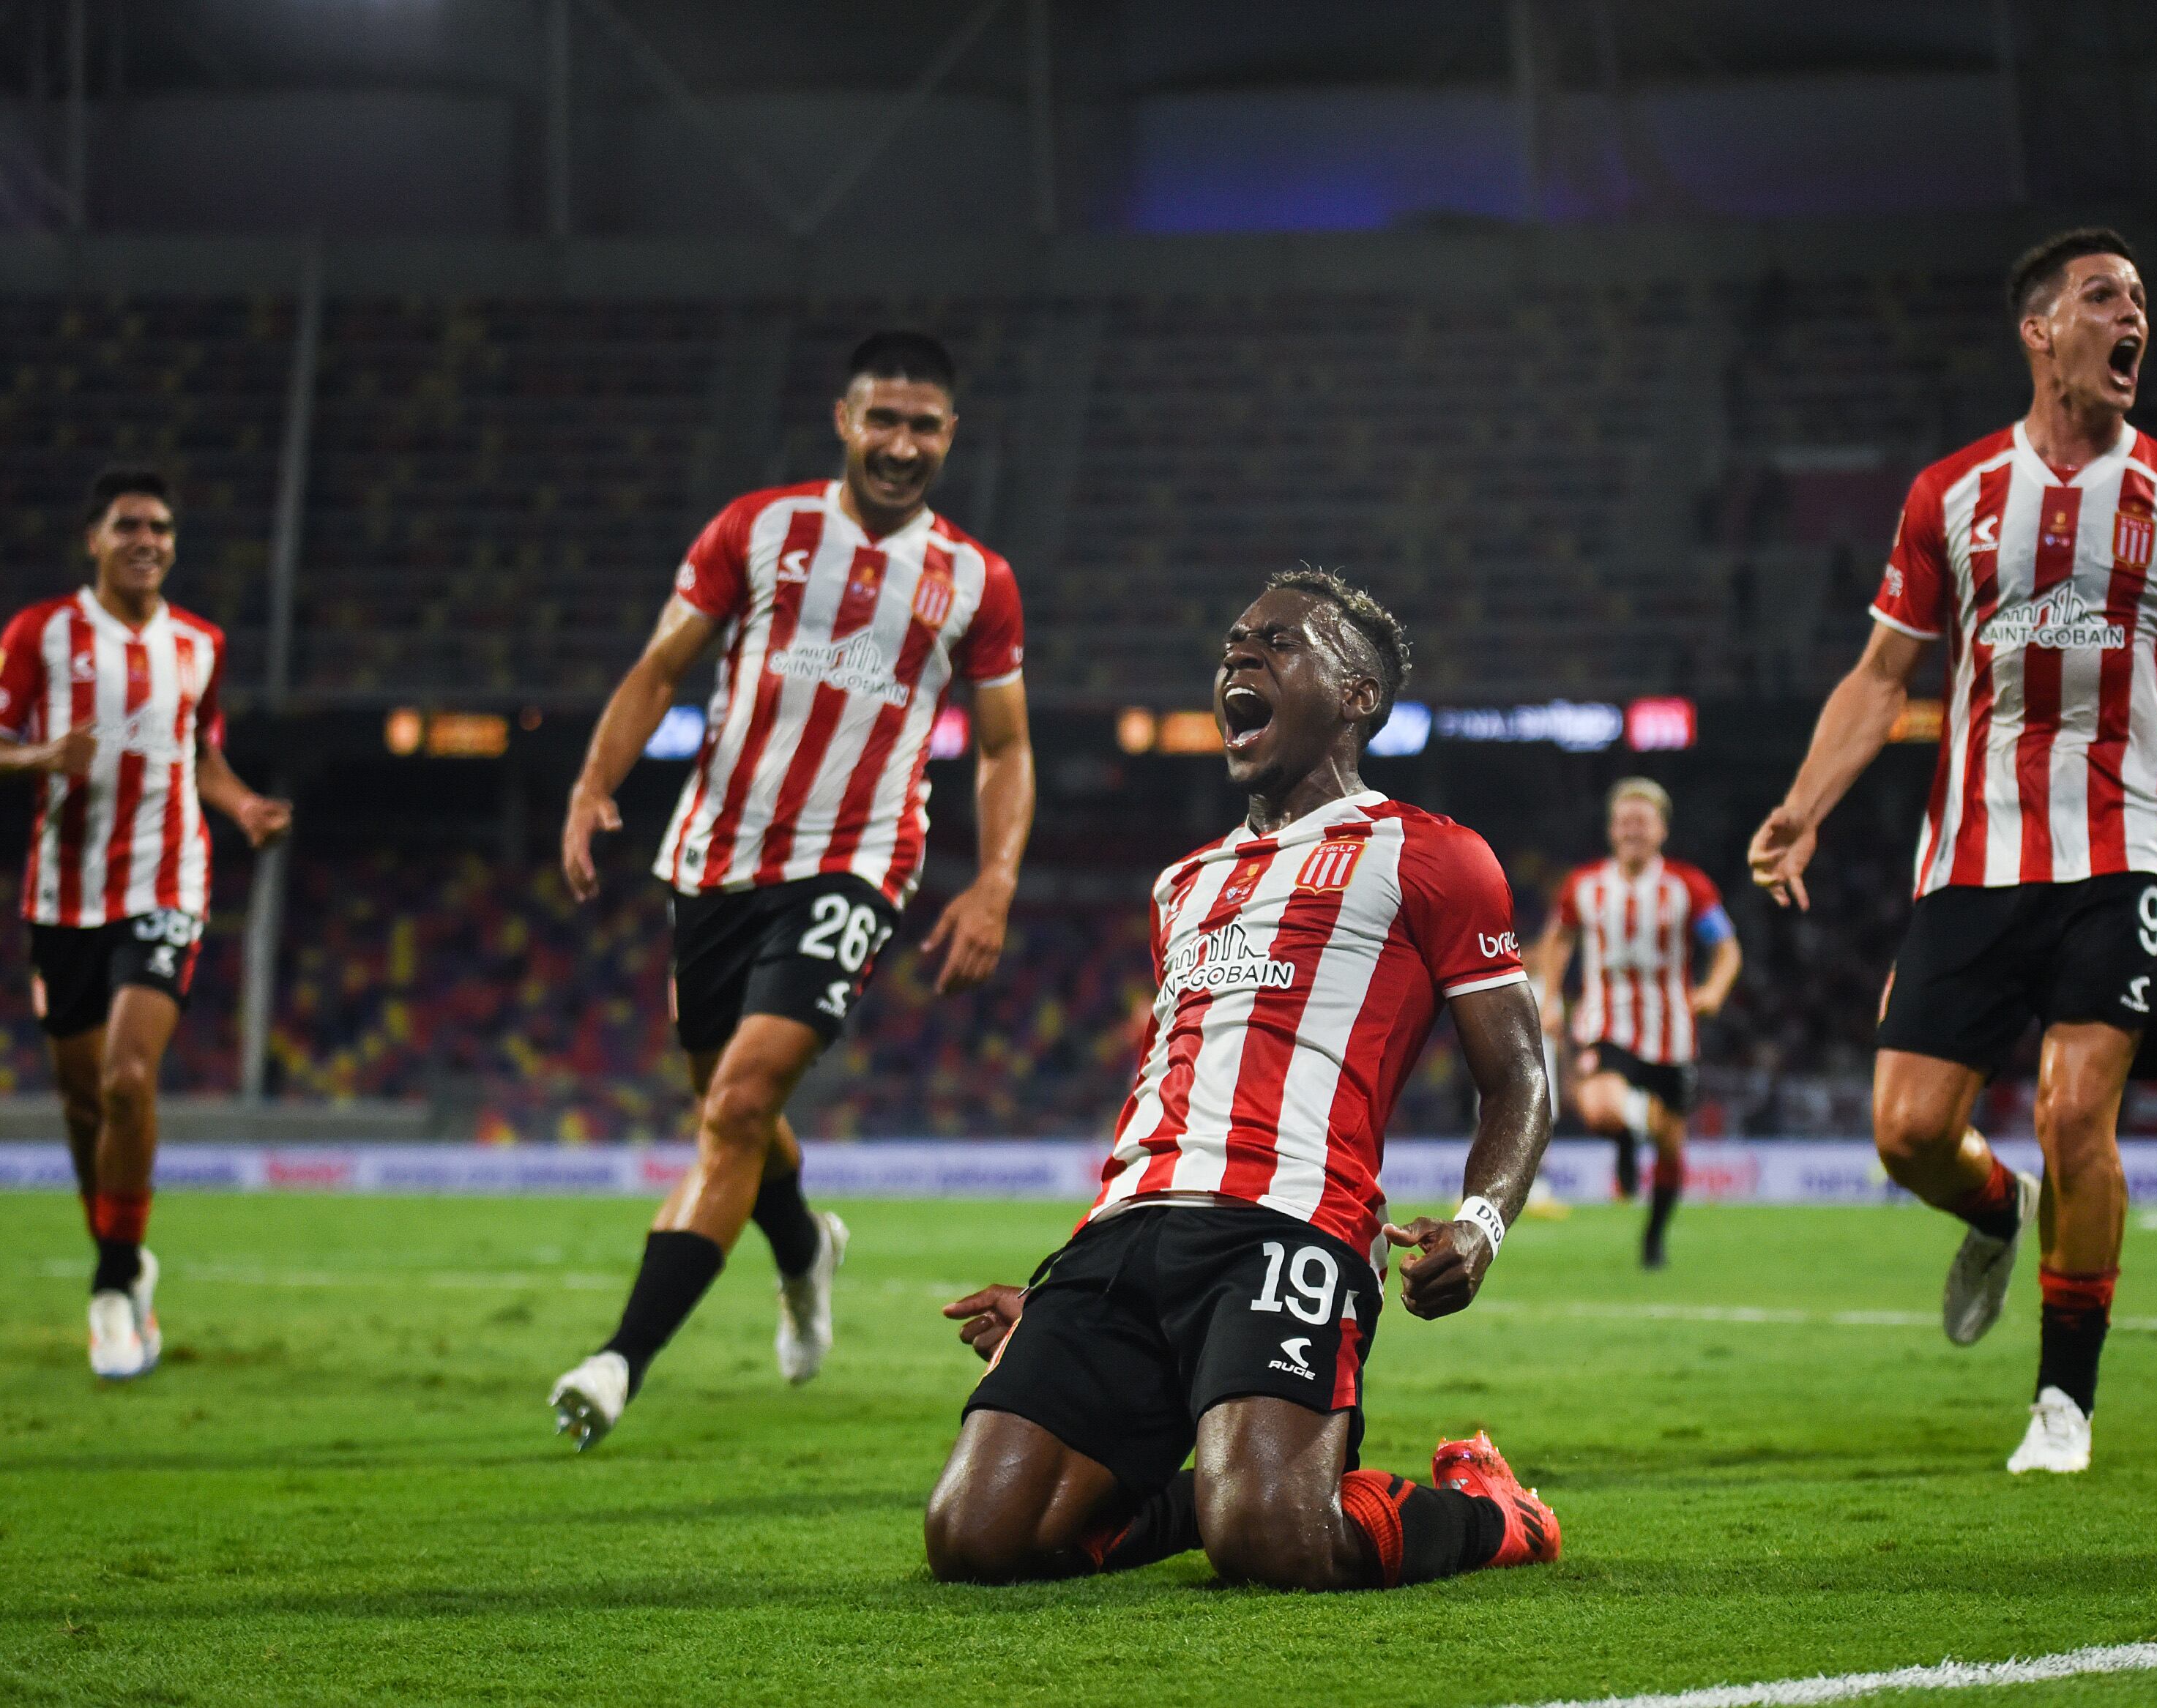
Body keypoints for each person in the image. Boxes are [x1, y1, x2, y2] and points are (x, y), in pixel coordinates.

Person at [1746, 229, 2157, 1474]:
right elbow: (1880, 677)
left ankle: (2061, 1401)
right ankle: (1998, 1207)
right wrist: (1806, 803)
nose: (2133, 317)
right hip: (1972, 853)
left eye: (2141, 299)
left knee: (2080, 1106)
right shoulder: (1951, 494)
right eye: (2104, 296)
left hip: (2128, 844)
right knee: (1909, 1131)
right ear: (2041, 330)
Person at [924, 570, 1561, 1591]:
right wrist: (1065, 1292)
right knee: (975, 1537)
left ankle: (1490, 1511)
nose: (1240, 657)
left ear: (1357, 697)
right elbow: (1180, 1079)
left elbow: (1522, 1073)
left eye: (1279, 642)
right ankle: (1216, 1468)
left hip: (1292, 1223)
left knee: (1270, 1543)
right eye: (1232, 643)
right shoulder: (1181, 885)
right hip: (1126, 1231)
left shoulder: (1431, 855)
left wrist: (1482, 1223)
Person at [547, 331, 1035, 1449]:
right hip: (714, 856)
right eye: (884, 419)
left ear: (949, 437)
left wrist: (995, 879)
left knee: (735, 1106)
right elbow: (661, 667)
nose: (901, 444)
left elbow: (1005, 749)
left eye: (923, 425)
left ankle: (619, 1361)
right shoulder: (757, 529)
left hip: (858, 860)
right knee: (737, 1109)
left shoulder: (976, 580)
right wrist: (589, 787)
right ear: (844, 419)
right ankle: (805, 1247)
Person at [0, 468, 293, 1379]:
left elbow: (201, 753)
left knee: (125, 1078)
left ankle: (113, 1288)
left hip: (169, 882)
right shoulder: (42, 633)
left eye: (161, 527)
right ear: (94, 539)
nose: (148, 539)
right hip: (64, 895)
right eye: (128, 525)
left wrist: (241, 805)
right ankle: (122, 1252)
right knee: (82, 1102)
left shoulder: (200, 644)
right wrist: (40, 752)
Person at [1530, 777, 1740, 1269]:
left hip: (1672, 1034)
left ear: (1661, 830)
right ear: (1611, 830)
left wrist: (1713, 991)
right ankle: (1624, 1140)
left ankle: (1654, 1238)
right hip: (1607, 1021)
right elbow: (1558, 939)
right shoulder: (1585, 885)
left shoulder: (1687, 886)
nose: (1632, 830)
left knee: (1670, 1144)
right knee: (1600, 1107)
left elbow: (1727, 947)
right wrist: (1552, 997)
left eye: (1642, 822)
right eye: (1624, 821)